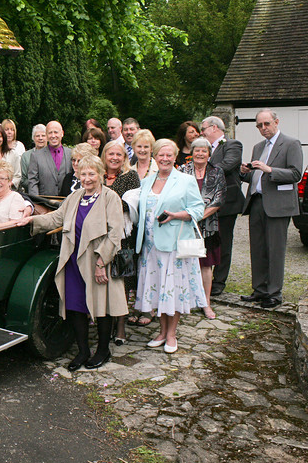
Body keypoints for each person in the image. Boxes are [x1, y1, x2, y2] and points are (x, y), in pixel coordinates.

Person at [23, 154, 127, 370]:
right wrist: (29, 220)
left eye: (91, 174)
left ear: (100, 174)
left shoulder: (110, 198)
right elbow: (56, 218)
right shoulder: (75, 197)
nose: (87, 178)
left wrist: (101, 263)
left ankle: (102, 351)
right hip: (73, 259)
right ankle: (82, 351)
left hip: (97, 260)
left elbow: (115, 233)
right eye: (83, 174)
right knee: (75, 306)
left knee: (102, 307)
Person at [134, 139, 208, 353]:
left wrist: (177, 215)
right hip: (150, 247)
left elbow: (198, 209)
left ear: (175, 157)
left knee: (172, 291)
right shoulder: (147, 180)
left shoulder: (185, 180)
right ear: (155, 157)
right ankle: (161, 331)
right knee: (158, 290)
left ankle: (172, 334)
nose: (165, 159)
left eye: (169, 155)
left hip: (174, 246)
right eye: (161, 155)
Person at [239, 109, 303, 309]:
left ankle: (274, 294)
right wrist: (245, 173)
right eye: (259, 125)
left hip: (278, 206)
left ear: (276, 122)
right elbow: (256, 177)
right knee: (257, 249)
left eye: (266, 124)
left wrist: (270, 170)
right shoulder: (258, 147)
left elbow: (295, 174)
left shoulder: (291, 143)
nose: (263, 128)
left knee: (275, 250)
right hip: (257, 201)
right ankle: (259, 290)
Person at [179, 137, 225, 319]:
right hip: (185, 225)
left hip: (208, 225)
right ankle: (186, 301)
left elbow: (219, 199)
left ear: (209, 153)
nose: (200, 153)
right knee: (186, 262)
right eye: (196, 150)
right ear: (192, 152)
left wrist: (197, 216)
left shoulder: (217, 171)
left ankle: (205, 303)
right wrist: (188, 216)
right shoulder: (183, 171)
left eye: (203, 150)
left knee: (206, 265)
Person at [100, 140, 140, 343]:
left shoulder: (130, 176)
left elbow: (130, 204)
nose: (114, 158)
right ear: (104, 156)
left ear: (124, 158)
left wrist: (105, 202)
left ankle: (121, 328)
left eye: (119, 154)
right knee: (103, 281)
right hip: (99, 236)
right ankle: (105, 325)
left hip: (123, 239)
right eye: (110, 154)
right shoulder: (97, 176)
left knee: (121, 282)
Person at [200, 116, 244, 297]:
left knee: (223, 242)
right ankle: (205, 278)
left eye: (203, 128)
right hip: (207, 203)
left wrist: (201, 171)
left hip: (227, 203)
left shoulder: (232, 145)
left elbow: (228, 165)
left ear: (213, 128)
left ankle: (219, 281)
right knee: (207, 241)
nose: (201, 132)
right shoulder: (206, 148)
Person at [23, 121, 72, 197]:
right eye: (50, 133)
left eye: (56, 132)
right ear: (46, 135)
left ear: (62, 133)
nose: (53, 136)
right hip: (45, 203)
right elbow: (33, 182)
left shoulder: (71, 154)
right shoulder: (36, 156)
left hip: (68, 202)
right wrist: (36, 202)